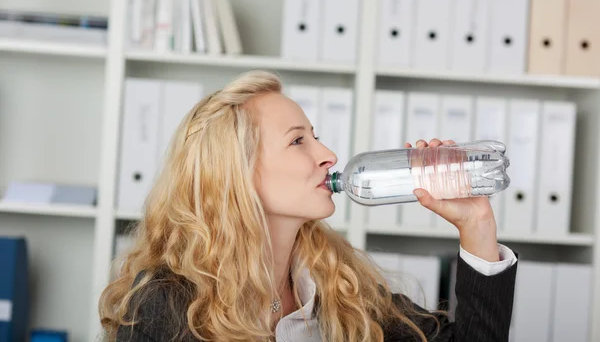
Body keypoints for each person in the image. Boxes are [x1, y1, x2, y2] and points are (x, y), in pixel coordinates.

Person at [99, 70, 518, 342]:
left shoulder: (341, 288)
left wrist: (476, 224)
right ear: (235, 172)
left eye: (314, 136)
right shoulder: (166, 304)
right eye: (299, 140)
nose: (329, 155)